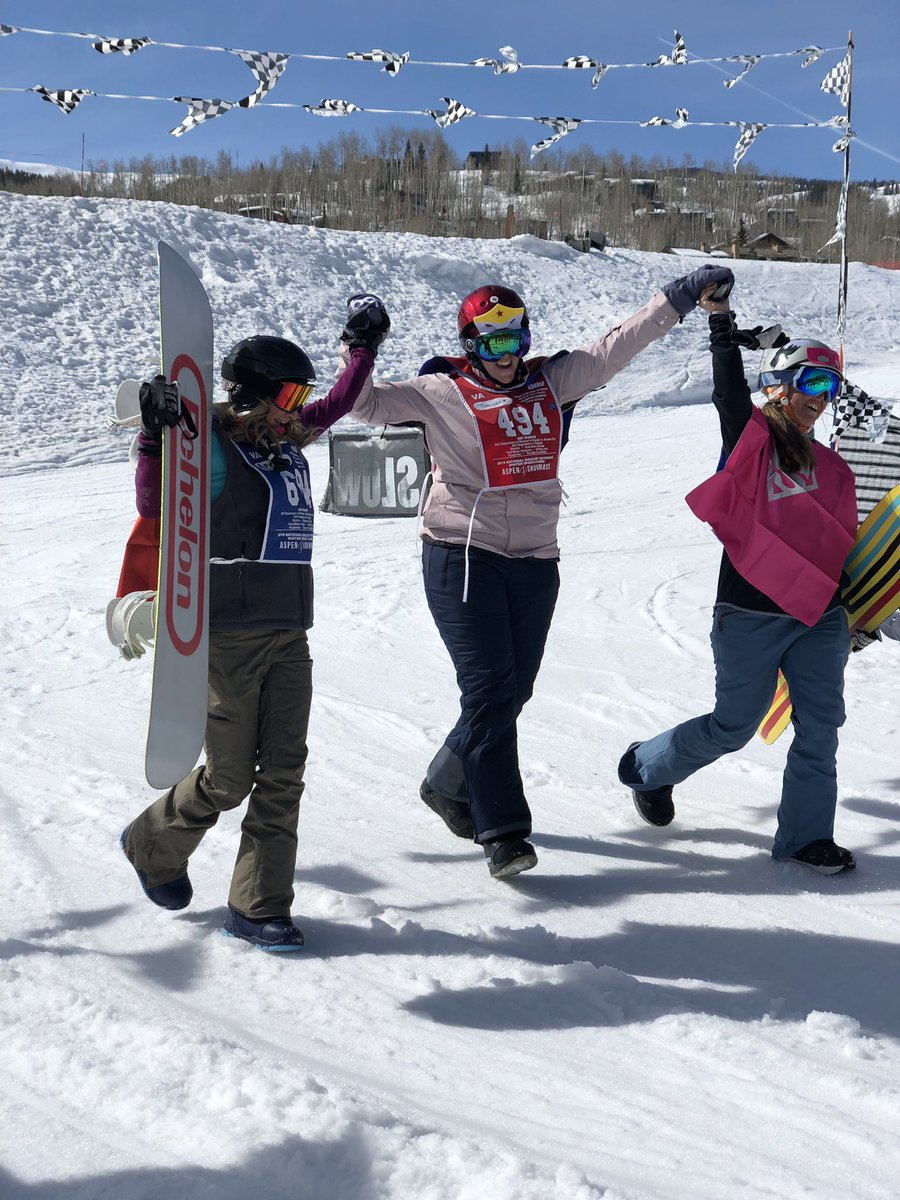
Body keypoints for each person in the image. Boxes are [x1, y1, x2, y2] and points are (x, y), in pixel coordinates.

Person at [340, 265, 733, 879]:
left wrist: (680, 296)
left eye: (517, 337)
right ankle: (504, 832)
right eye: (494, 341)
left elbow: (618, 344)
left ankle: (446, 782)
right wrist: (361, 346)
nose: (508, 353)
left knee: (512, 690)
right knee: (491, 691)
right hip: (459, 553)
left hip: (535, 558)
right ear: (472, 342)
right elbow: (360, 404)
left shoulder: (552, 382)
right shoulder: (439, 392)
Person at [117, 298, 389, 949]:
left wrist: (364, 350)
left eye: (303, 393)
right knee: (230, 777)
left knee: (284, 774)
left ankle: (259, 905)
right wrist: (155, 436)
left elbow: (342, 403)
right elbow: (156, 503)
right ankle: (151, 844)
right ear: (259, 393)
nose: (301, 403)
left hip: (290, 634)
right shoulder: (209, 449)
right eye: (291, 392)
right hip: (229, 638)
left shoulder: (287, 440)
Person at [618, 284, 859, 874]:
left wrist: (863, 607)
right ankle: (646, 767)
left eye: (828, 386)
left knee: (821, 726)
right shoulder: (752, 444)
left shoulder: (834, 468)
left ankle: (806, 838)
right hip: (750, 614)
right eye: (810, 383)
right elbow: (729, 393)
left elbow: (842, 548)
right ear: (782, 385)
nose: (819, 399)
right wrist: (721, 321)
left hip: (818, 617)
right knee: (734, 727)